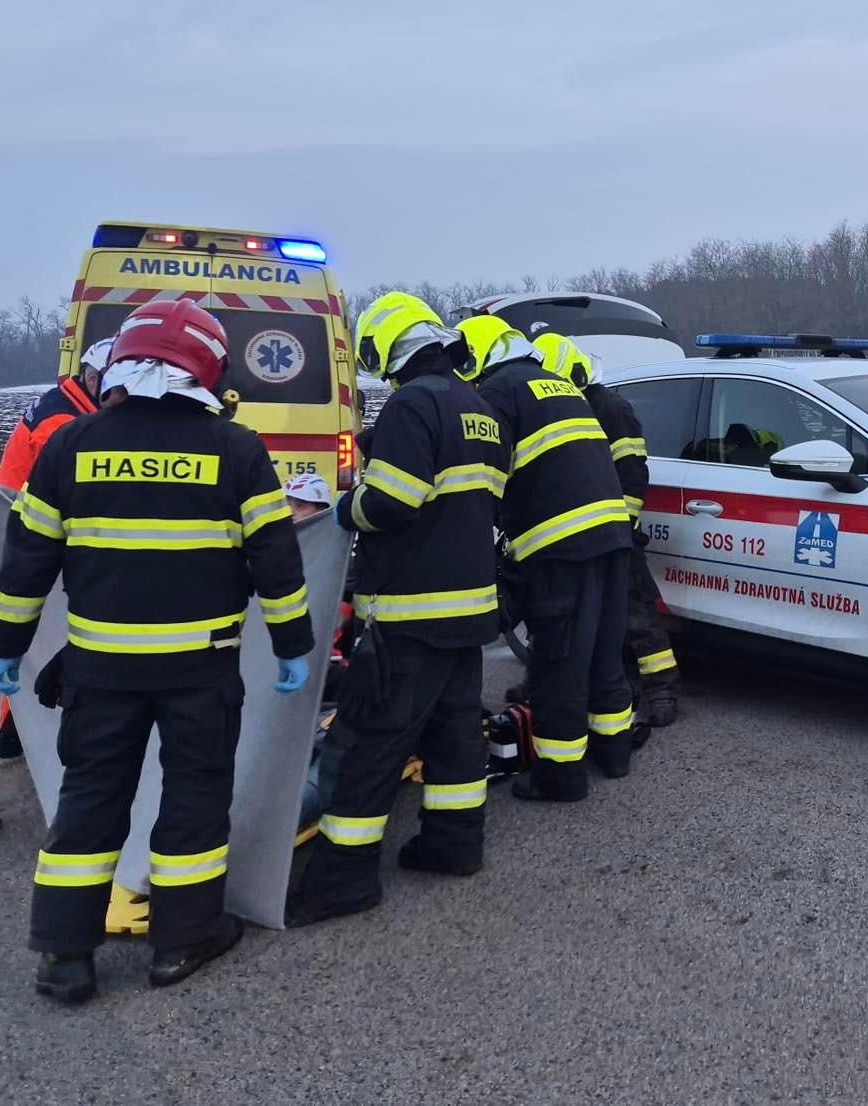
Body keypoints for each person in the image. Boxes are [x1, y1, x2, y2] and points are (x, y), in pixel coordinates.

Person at [0, 298, 315, 1004]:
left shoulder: (74, 445)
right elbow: (277, 566)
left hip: (99, 671)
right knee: (194, 800)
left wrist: (4, 648)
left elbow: (27, 564)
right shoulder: (236, 450)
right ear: (206, 366)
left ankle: (66, 956)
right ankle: (183, 938)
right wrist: (295, 648)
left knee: (91, 799)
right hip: (201, 670)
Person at [286, 292, 503, 928]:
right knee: (454, 735)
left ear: (387, 349)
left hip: (411, 612)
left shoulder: (413, 403)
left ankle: (343, 882)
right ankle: (453, 846)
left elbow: (391, 503)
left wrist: (339, 511)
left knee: (365, 744)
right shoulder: (479, 407)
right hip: (469, 611)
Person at [458, 314, 634, 802]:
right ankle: (614, 752)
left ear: (479, 355)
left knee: (560, 664)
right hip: (611, 540)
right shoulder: (558, 386)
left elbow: (485, 481)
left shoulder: (498, 394)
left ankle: (561, 777)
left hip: (561, 549)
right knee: (603, 652)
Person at [533, 332, 679, 726]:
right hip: (582, 531)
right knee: (589, 613)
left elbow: (632, 471)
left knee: (635, 611)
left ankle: (661, 689)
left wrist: (624, 523)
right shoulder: (570, 408)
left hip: (615, 529)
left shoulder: (609, 408)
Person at [0, 338, 119, 761]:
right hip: (25, 519)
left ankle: (15, 731)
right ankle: (16, 731)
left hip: (27, 513)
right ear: (93, 376)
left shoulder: (71, 401)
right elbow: (70, 490)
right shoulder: (60, 423)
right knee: (43, 631)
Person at [0, 337, 116, 493]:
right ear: (93, 379)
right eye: (116, 384)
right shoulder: (61, 423)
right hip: (20, 502)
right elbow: (65, 483)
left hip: (18, 489)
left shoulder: (64, 397)